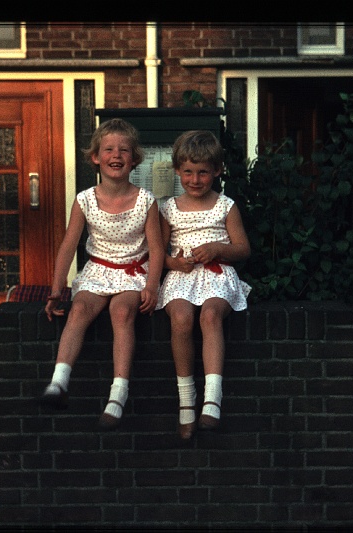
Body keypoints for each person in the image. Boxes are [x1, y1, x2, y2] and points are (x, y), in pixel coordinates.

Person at [39, 118, 164, 431]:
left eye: (124, 149)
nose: (116, 154)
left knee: (121, 312)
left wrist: (151, 286)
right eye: (108, 149)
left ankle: (118, 394)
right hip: (98, 270)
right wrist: (57, 288)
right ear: (95, 157)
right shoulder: (84, 200)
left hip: (134, 272)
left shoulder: (146, 201)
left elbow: (157, 249)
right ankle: (58, 382)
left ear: (134, 158)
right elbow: (69, 245)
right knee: (79, 309)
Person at [156, 130, 251, 441]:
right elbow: (158, 253)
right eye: (188, 172)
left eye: (203, 172)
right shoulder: (169, 207)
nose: (195, 180)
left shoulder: (225, 206)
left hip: (217, 273)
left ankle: (212, 399)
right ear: (177, 171)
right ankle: (186, 401)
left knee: (210, 316)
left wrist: (217, 249)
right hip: (182, 277)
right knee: (181, 318)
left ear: (217, 171)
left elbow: (243, 249)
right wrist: (173, 263)